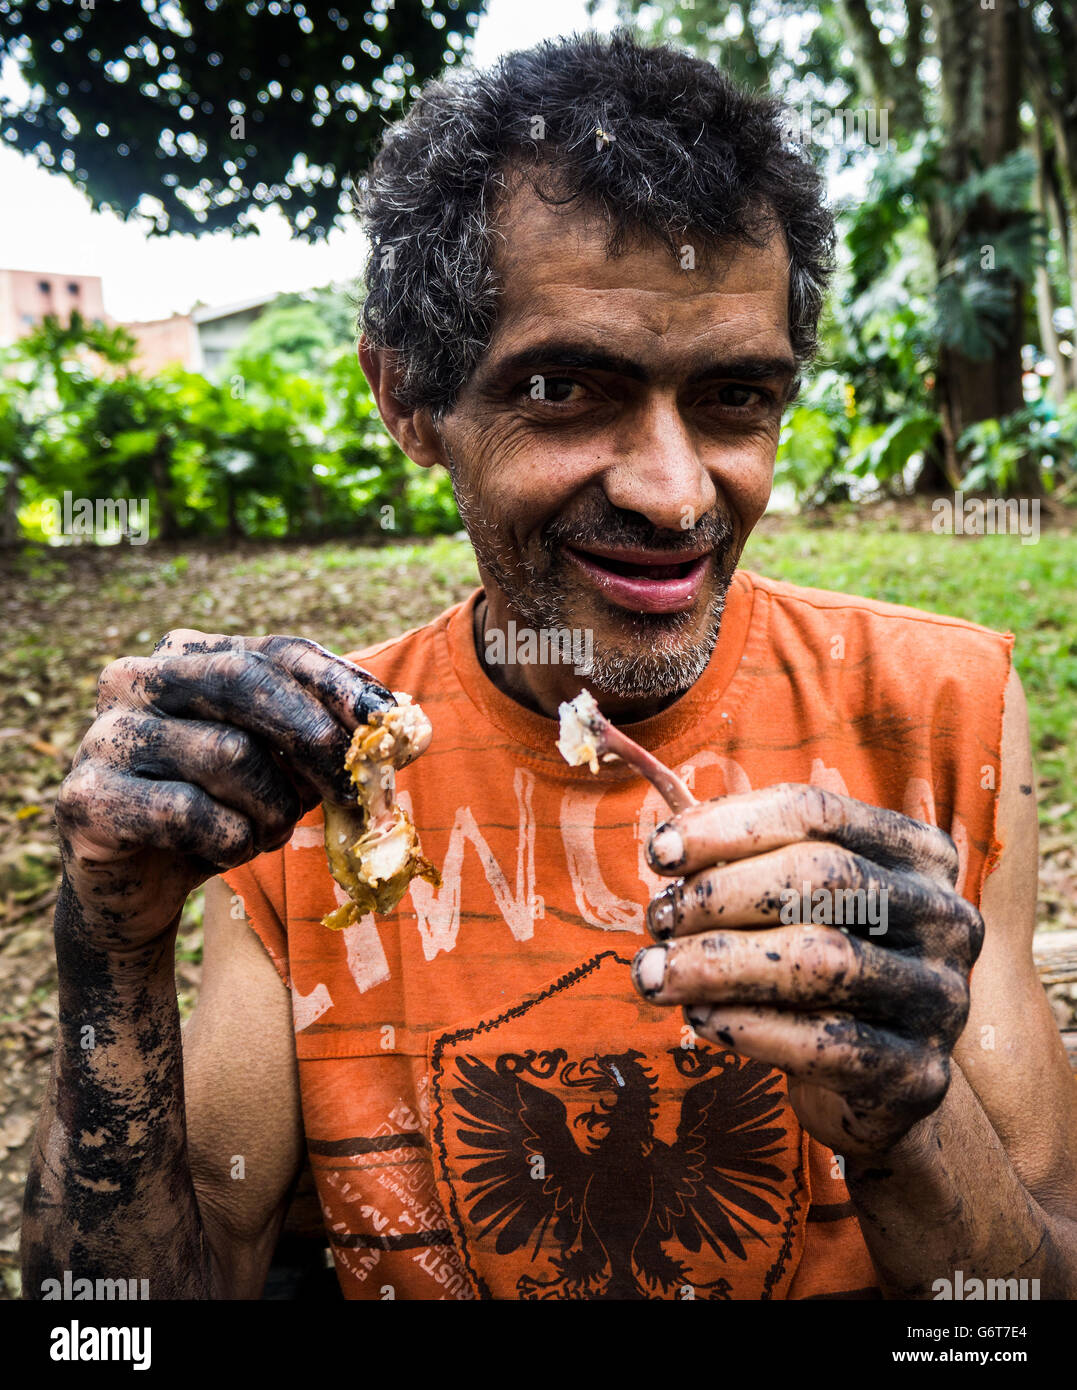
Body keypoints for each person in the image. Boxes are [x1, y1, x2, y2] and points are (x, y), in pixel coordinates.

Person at [22, 31, 1077, 1302]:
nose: (677, 494)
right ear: (408, 398)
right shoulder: (300, 777)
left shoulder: (936, 709)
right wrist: (111, 941)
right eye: (566, 388)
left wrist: (910, 1124)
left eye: (737, 398)